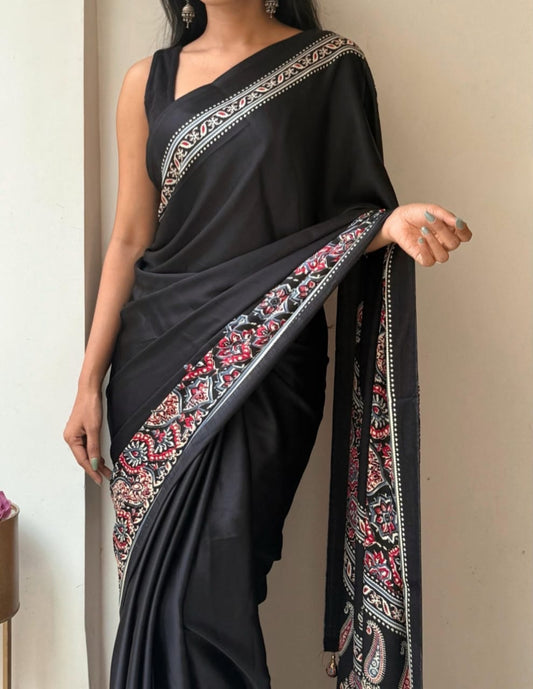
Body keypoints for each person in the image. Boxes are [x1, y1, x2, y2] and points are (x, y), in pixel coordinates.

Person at [63, 0, 472, 687]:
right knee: (156, 603)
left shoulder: (329, 67)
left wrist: (386, 225)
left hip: (268, 367)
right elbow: (130, 238)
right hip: (152, 370)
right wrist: (87, 382)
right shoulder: (146, 82)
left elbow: (351, 211)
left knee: (207, 599)